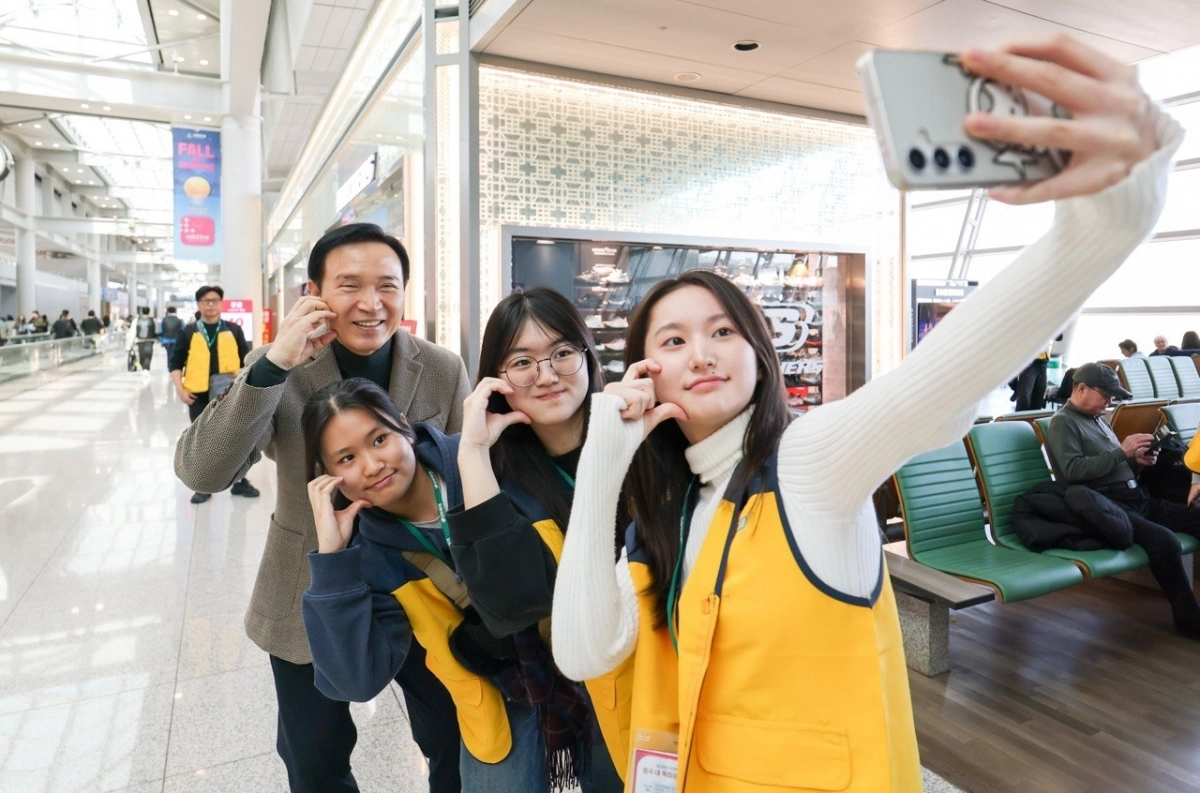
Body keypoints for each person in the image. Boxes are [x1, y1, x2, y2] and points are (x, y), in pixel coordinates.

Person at [550, 35, 1182, 791]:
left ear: (761, 355)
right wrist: (602, 461)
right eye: (674, 340)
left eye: (724, 331)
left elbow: (941, 381)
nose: (703, 353)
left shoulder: (809, 462)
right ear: (646, 371)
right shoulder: (674, 508)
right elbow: (583, 654)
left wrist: (1107, 222)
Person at [175, 223, 471, 793]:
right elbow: (201, 471)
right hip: (310, 588)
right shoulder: (279, 367)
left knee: (455, 741)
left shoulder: (441, 367)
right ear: (314, 292)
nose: (370, 303)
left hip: (425, 589)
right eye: (349, 285)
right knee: (314, 759)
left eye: (387, 285)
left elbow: (464, 480)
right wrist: (271, 367)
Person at [301, 377, 617, 792]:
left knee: (619, 775)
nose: (372, 465)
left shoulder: (488, 456)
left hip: (588, 655)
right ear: (328, 475)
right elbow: (355, 682)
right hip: (497, 700)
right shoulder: (370, 558)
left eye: (379, 439)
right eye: (347, 458)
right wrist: (332, 562)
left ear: (403, 425)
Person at [448, 287, 634, 788]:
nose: (547, 375)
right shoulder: (495, 473)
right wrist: (473, 453)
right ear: (495, 379)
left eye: (562, 353)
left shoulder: (634, 436)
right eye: (522, 362)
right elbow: (512, 603)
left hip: (656, 667)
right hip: (572, 682)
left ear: (587, 353)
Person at [1045, 362, 1200, 637]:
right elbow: (1073, 471)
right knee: (1164, 541)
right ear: (1081, 389)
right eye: (1105, 395)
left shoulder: (1097, 418)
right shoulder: (1063, 422)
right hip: (1110, 504)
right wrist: (1122, 452)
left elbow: (1112, 465)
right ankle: (1189, 619)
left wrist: (1138, 461)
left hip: (1136, 497)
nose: (1109, 402)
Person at [169, 286, 258, 504]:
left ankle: (239, 481)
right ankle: (203, 485)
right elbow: (175, 363)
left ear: (221, 303)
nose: (211, 305)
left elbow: (247, 361)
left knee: (235, 437)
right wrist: (180, 389)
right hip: (197, 395)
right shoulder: (188, 332)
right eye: (206, 301)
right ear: (199, 304)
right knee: (201, 440)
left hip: (228, 393)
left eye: (215, 300)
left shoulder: (234, 330)